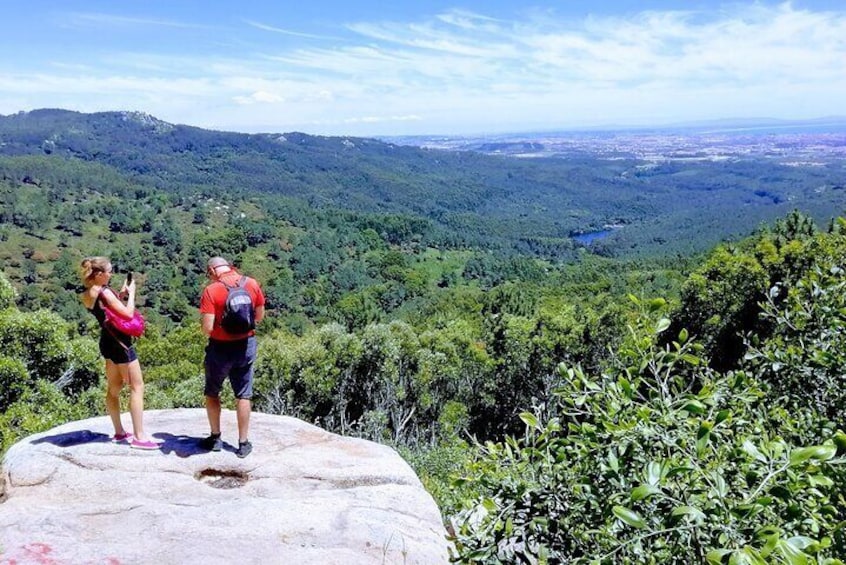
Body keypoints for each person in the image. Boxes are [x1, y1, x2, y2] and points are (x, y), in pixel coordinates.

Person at [79, 257, 159, 450]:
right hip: (121, 344)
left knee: (113, 389)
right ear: (99, 274)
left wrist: (120, 295)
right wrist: (131, 294)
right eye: (109, 271)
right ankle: (139, 437)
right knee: (137, 387)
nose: (111, 274)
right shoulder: (105, 292)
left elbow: (106, 312)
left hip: (106, 343)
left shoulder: (88, 293)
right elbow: (128, 314)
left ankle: (119, 432)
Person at [199, 257, 265, 458]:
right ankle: (243, 443)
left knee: (212, 392)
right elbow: (259, 316)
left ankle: (216, 438)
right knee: (243, 395)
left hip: (220, 348)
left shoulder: (212, 290)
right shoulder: (251, 283)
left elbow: (207, 328)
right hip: (246, 345)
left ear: (212, 270)